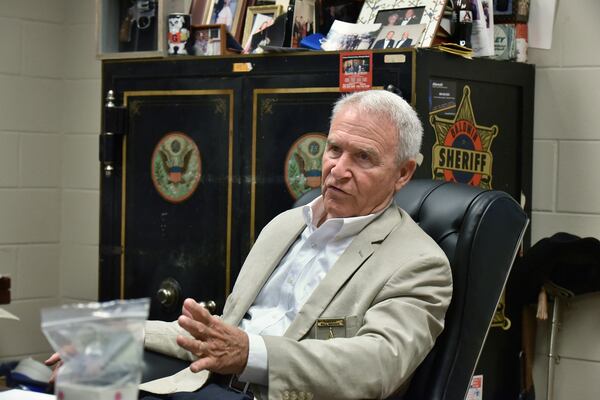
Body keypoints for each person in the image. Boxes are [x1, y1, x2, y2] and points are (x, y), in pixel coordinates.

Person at [47, 90, 452, 400]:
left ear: (403, 173)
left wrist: (250, 354)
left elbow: (377, 365)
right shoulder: (286, 225)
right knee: (74, 377)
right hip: (212, 383)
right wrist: (115, 334)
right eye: (334, 149)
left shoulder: (418, 262)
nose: (338, 170)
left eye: (363, 157)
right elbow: (220, 336)